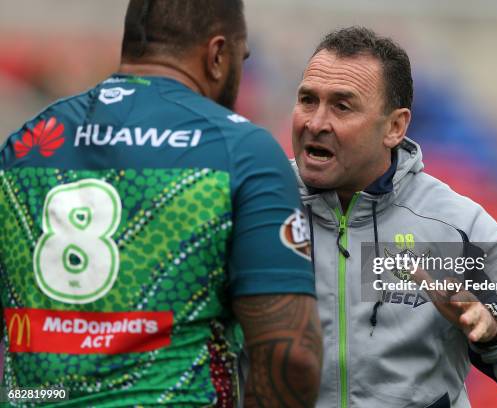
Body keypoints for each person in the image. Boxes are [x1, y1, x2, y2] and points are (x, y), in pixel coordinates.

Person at [0, 1, 322, 406]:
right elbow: (291, 358)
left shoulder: (24, 145)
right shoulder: (240, 150)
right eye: (241, 58)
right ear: (217, 55)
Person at [291, 26, 497, 408]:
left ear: (394, 127)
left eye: (342, 106)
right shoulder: (254, 208)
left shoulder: (454, 226)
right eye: (308, 100)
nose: (316, 123)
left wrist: (495, 329)